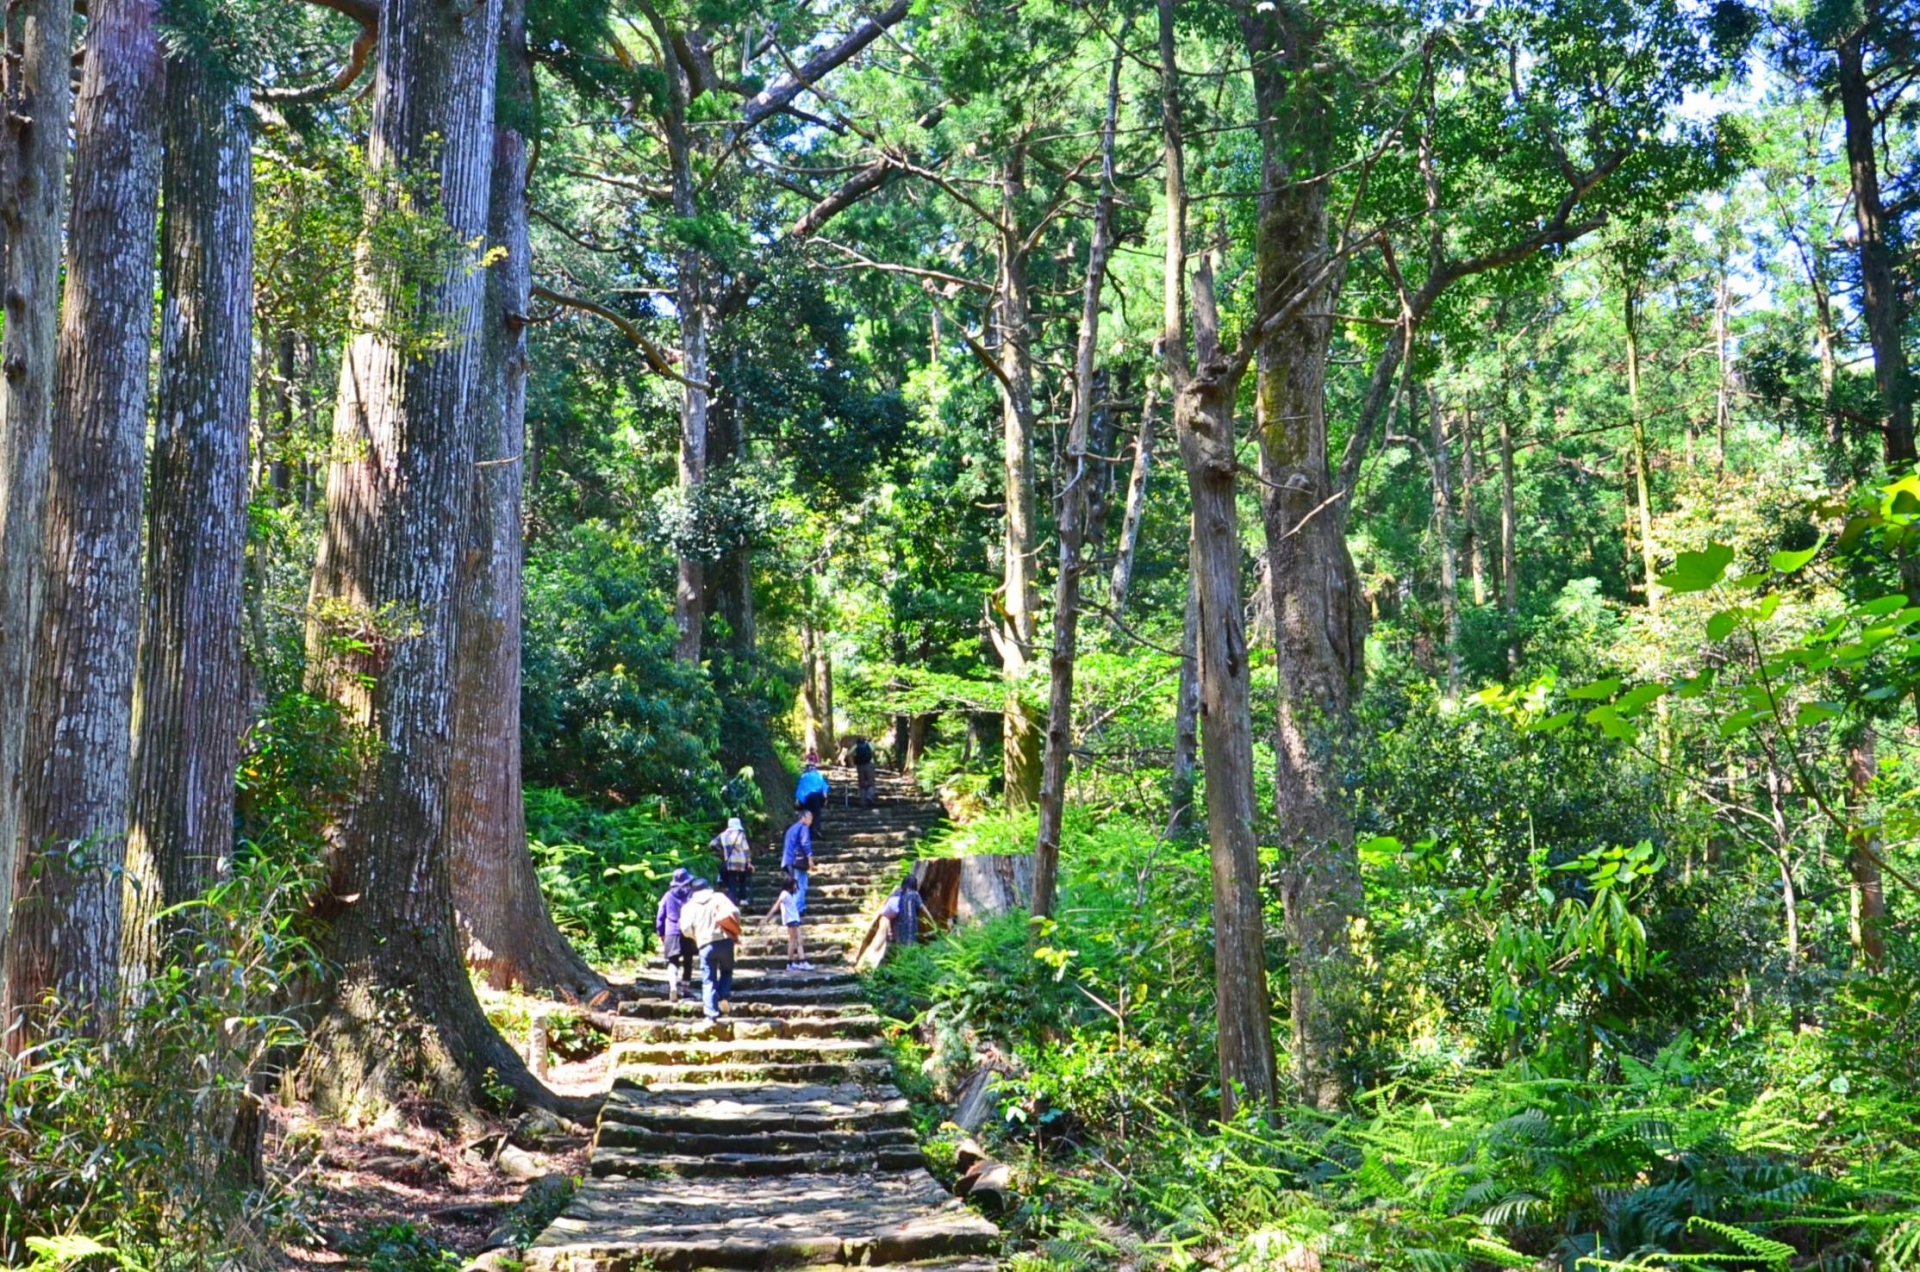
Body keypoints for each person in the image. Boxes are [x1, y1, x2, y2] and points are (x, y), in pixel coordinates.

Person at [681, 878, 743, 1021]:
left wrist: (695, 936)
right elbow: (735, 912)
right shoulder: (719, 898)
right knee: (727, 970)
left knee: (708, 979)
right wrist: (735, 931)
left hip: (705, 944)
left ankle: (711, 1015)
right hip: (725, 940)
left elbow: (685, 928)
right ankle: (723, 995)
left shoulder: (689, 906)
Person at [653, 868, 696, 1002]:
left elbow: (660, 916)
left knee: (673, 961)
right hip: (688, 931)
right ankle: (685, 988)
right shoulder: (691, 895)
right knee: (688, 960)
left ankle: (673, 986)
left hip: (671, 931)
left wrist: (661, 932)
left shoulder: (668, 895)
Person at [761, 870, 811, 971]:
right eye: (794, 885)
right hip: (791, 920)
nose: (795, 887)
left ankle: (794, 963)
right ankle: (798, 962)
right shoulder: (784, 894)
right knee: (794, 941)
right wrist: (767, 918)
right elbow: (776, 906)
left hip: (794, 920)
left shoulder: (789, 895)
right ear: (790, 885)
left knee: (797, 941)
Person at [710, 815, 754, 908]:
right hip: (742, 861)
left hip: (730, 861)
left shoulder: (723, 834)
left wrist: (720, 850)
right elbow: (746, 849)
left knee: (732, 882)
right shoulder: (740, 834)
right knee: (742, 880)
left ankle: (732, 901)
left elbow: (712, 843)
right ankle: (743, 899)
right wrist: (749, 862)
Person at [882, 874, 933, 949]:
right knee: (910, 946)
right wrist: (933, 923)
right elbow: (923, 909)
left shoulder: (897, 893)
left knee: (900, 947)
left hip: (898, 925)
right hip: (911, 925)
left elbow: (890, 910)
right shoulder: (915, 894)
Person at [781, 807, 814, 915]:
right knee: (801, 885)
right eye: (810, 818)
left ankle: (798, 908)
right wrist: (810, 857)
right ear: (803, 818)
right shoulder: (803, 827)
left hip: (788, 861)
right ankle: (797, 909)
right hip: (797, 861)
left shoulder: (791, 829)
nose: (811, 821)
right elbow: (805, 843)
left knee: (793, 885)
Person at [794, 753, 830, 833]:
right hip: (816, 796)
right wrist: (825, 799)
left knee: (807, 812)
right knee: (817, 813)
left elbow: (800, 788)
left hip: (806, 798)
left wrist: (797, 800)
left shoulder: (804, 776)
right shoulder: (819, 776)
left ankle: (805, 830)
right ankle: (816, 829)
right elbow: (824, 788)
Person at [852, 736, 877, 809]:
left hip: (860, 766)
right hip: (870, 765)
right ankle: (869, 796)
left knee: (862, 784)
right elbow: (883, 749)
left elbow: (849, 753)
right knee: (871, 782)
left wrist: (854, 758)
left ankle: (862, 802)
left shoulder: (856, 746)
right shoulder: (871, 744)